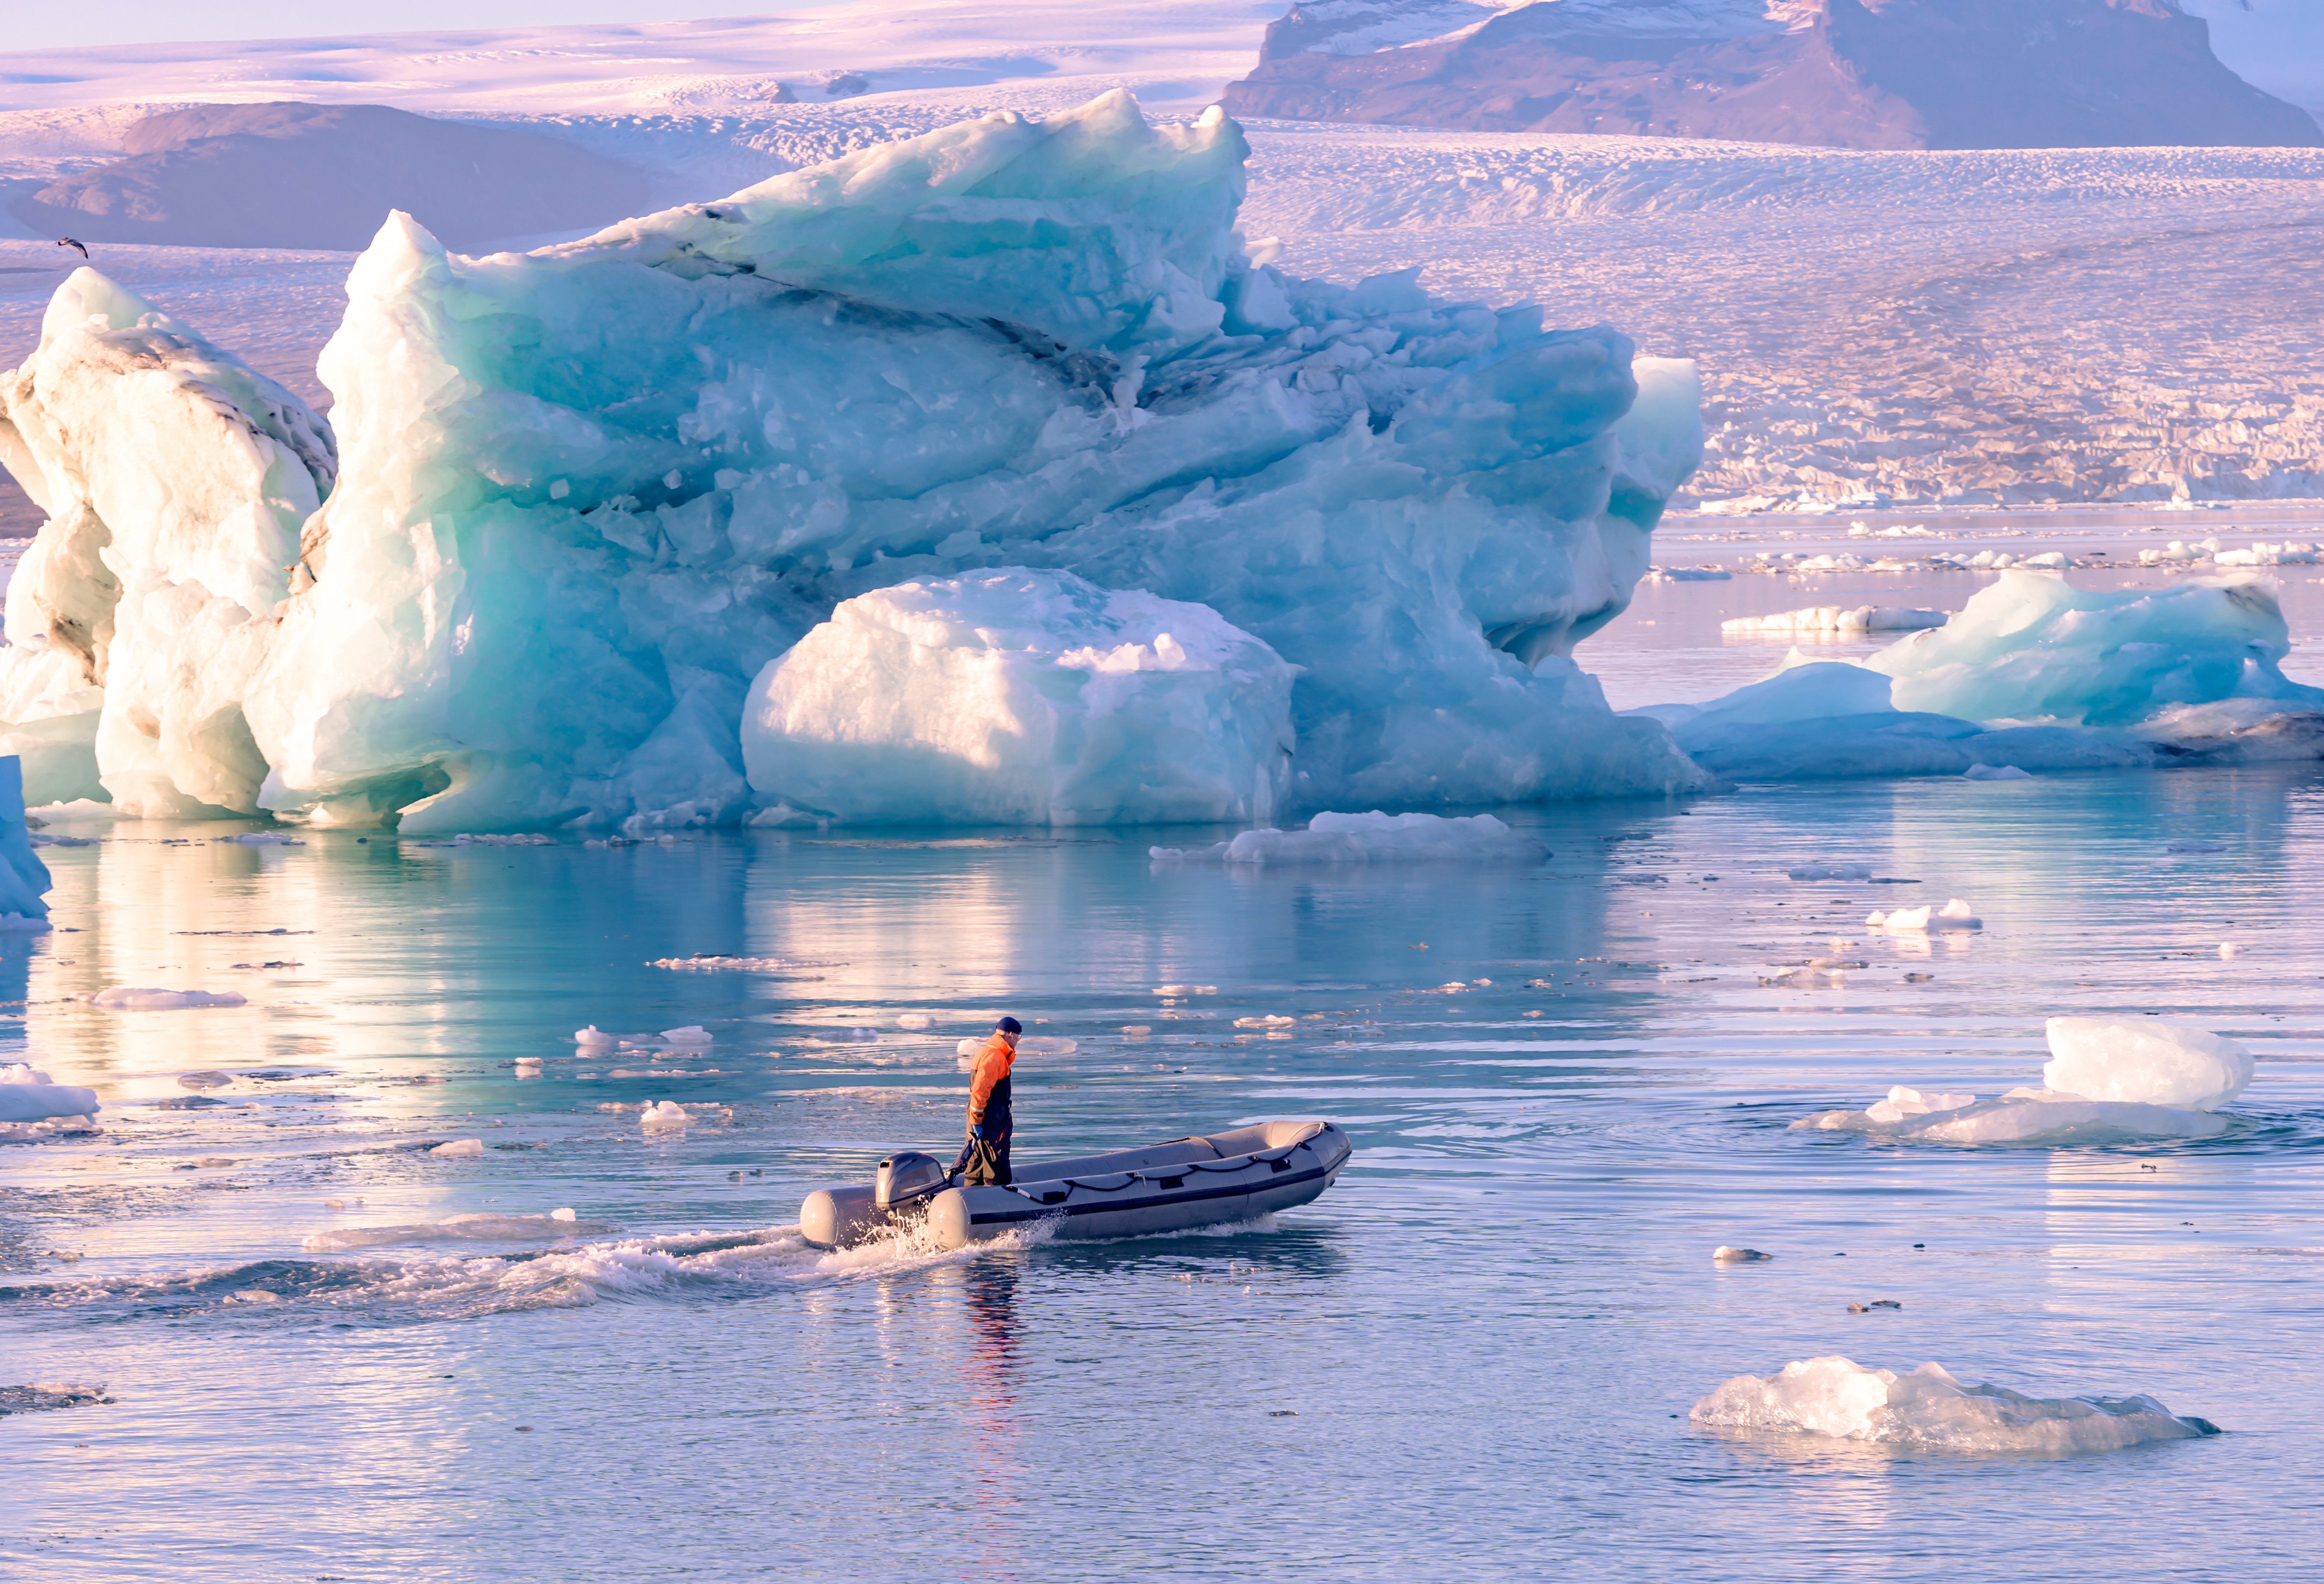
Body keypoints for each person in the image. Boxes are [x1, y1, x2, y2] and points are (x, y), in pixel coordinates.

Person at [954, 1016, 1021, 1187]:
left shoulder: (985, 1052)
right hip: (992, 1122)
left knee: (976, 1163)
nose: (1018, 1042)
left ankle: (971, 1200)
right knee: (996, 1164)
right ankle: (997, 1203)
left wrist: (974, 1120)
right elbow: (980, 1090)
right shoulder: (995, 1057)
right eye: (1018, 1038)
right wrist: (977, 1119)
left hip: (980, 1118)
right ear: (1011, 1035)